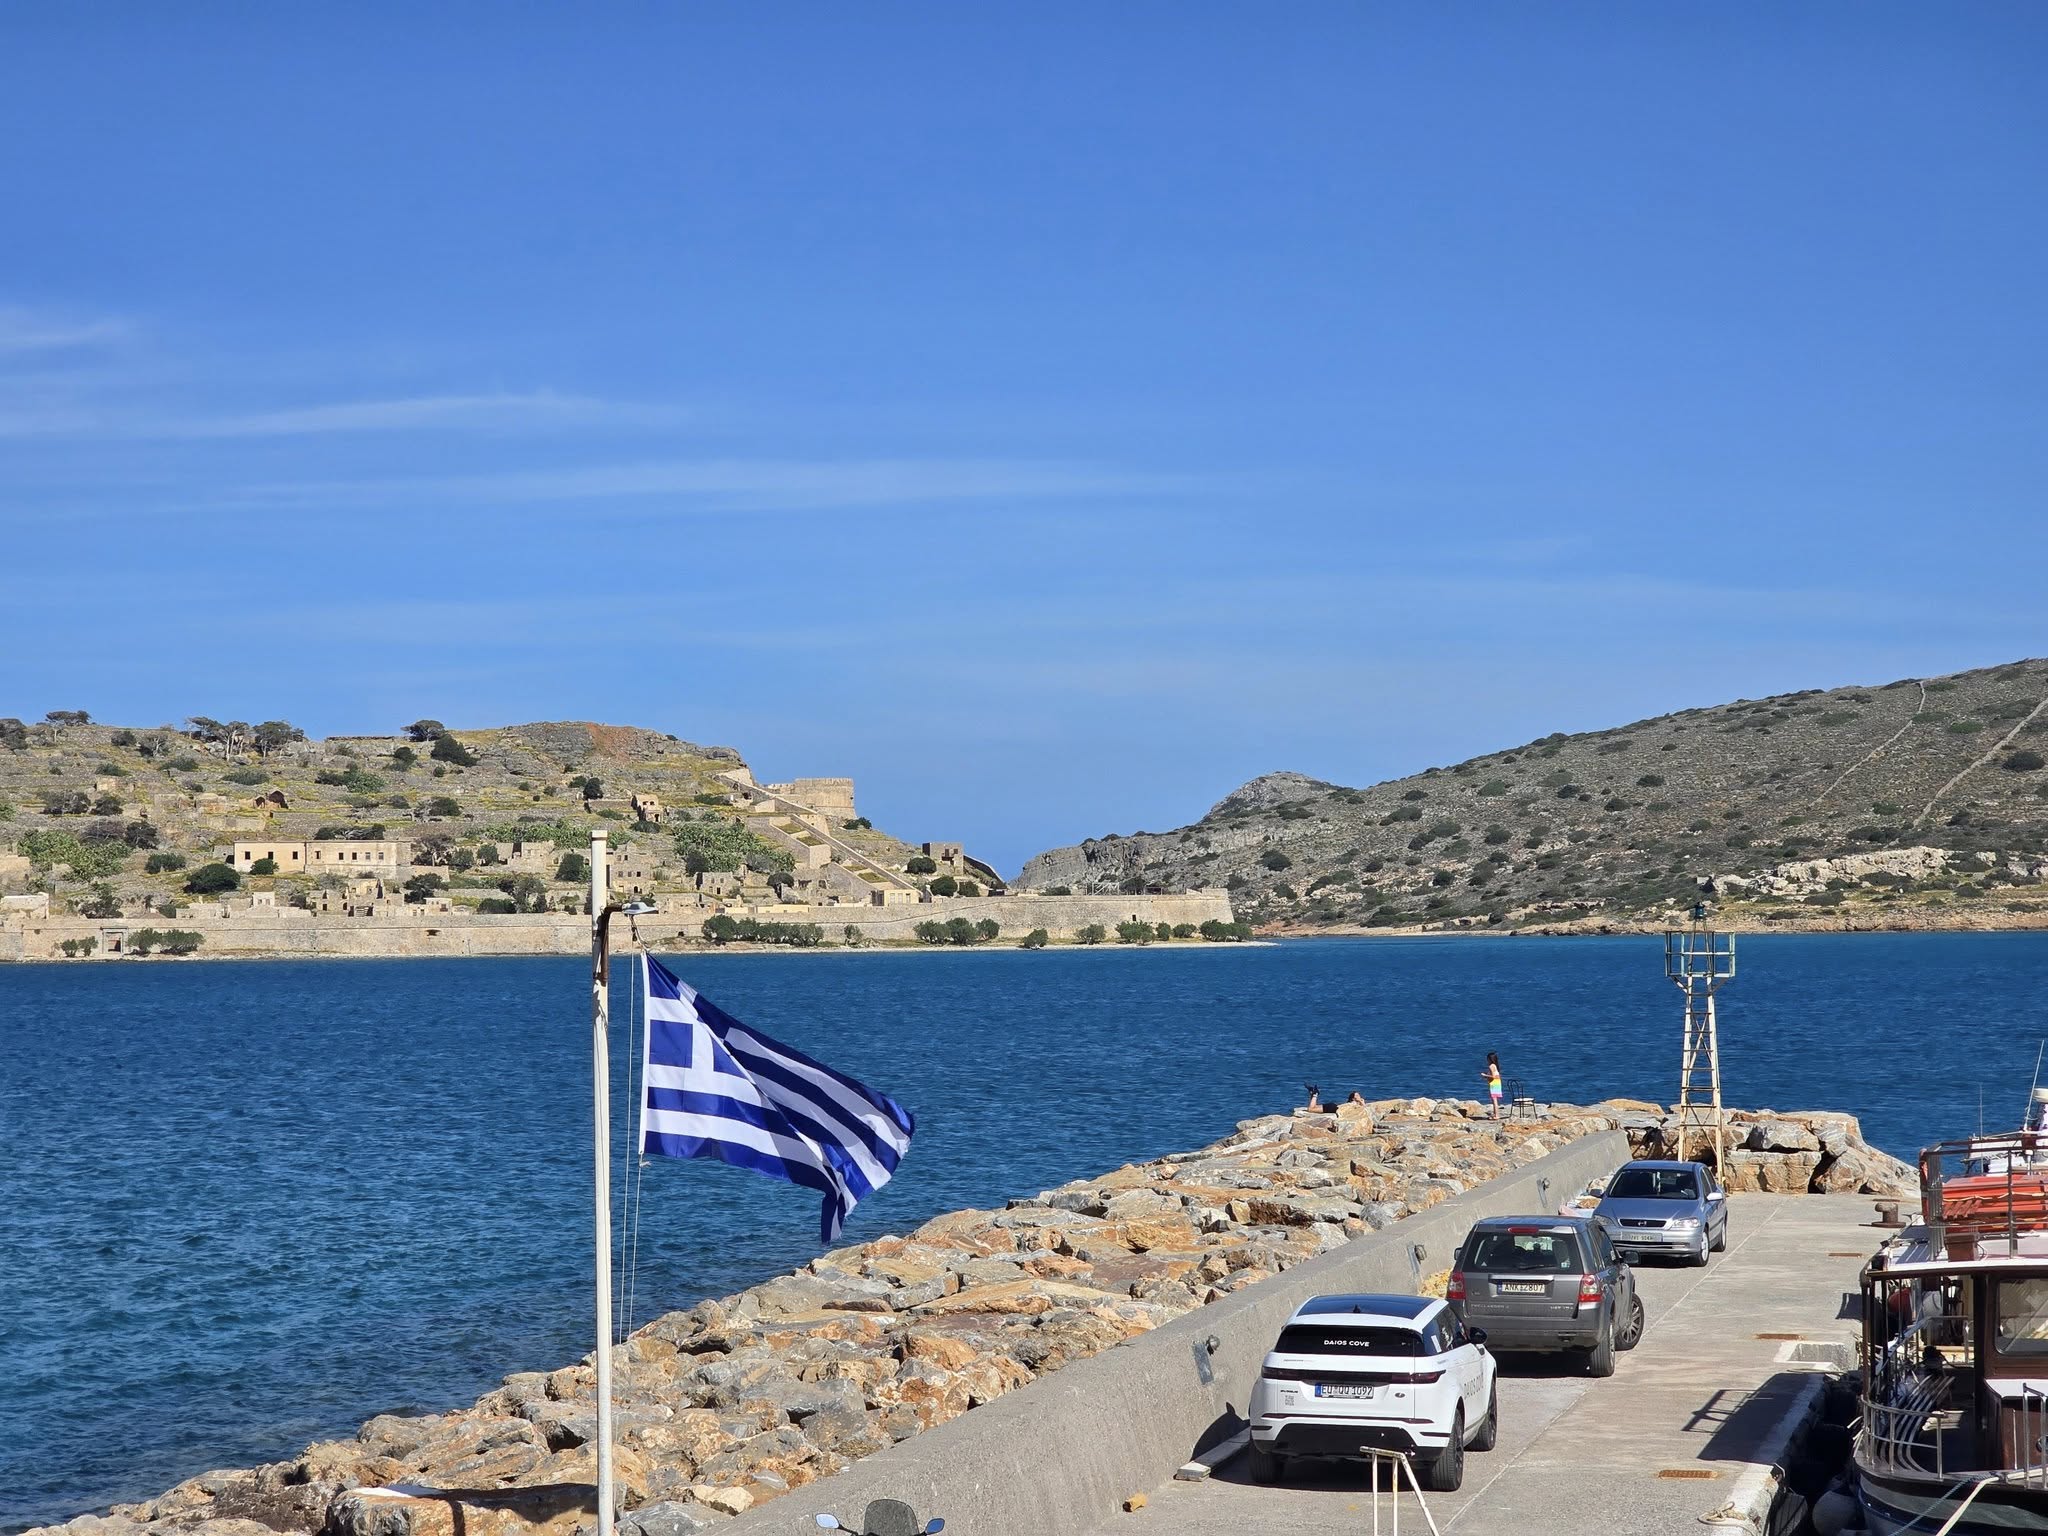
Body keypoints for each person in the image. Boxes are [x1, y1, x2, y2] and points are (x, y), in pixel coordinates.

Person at [1482, 1052, 1503, 1120]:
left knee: (1494, 1099)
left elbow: (1493, 1076)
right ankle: (1495, 1114)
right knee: (1494, 1098)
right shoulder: (1495, 1065)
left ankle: (1496, 1115)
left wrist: (1485, 1075)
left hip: (1494, 1083)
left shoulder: (1491, 1066)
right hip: (1497, 1082)